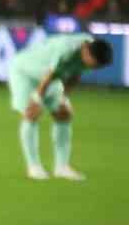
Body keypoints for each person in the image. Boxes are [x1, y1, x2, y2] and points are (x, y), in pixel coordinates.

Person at [7, 33, 113, 180]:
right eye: (95, 64)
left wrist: (64, 97)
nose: (95, 67)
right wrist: (37, 99)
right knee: (32, 113)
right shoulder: (67, 49)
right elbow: (50, 74)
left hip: (50, 77)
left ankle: (61, 167)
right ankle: (33, 167)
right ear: (87, 52)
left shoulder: (90, 53)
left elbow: (76, 74)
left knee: (64, 113)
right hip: (25, 72)